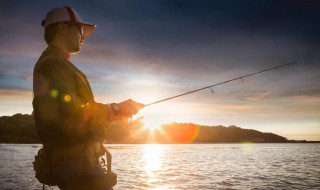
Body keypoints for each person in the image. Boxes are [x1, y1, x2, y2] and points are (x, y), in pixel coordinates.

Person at [32, 6, 144, 190]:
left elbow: (78, 116)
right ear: (62, 28)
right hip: (76, 165)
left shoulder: (59, 64)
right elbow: (72, 114)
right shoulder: (52, 65)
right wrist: (114, 109)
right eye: (81, 30)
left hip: (80, 163)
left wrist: (113, 114)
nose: (83, 36)